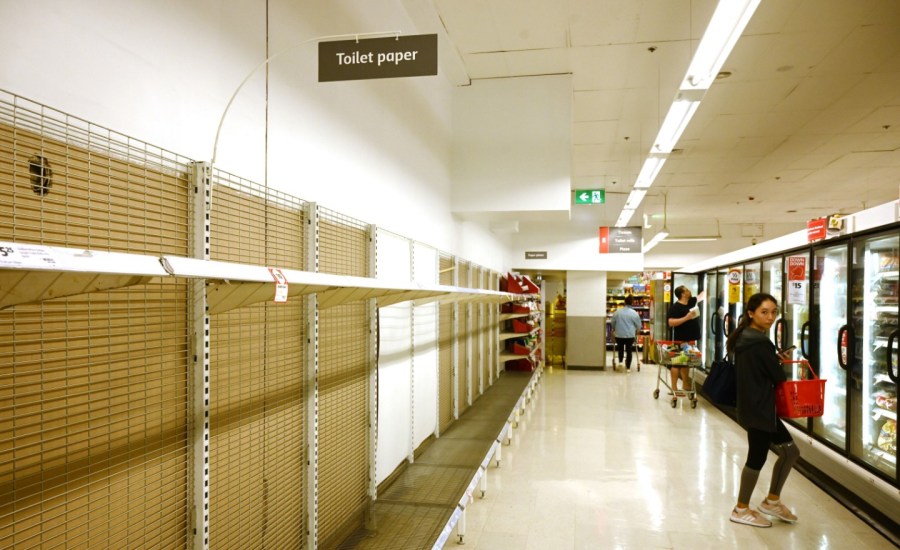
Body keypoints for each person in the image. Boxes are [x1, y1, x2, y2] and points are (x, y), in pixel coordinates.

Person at [726, 292, 799, 528]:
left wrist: (773, 358)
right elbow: (777, 376)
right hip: (760, 407)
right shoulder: (759, 341)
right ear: (751, 314)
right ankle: (741, 508)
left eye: (774, 312)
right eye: (764, 312)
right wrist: (779, 362)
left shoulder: (746, 337)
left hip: (755, 405)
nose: (770, 317)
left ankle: (771, 501)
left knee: (790, 451)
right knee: (757, 458)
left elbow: (759, 367)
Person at [666, 286, 703, 392]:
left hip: (691, 340)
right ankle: (674, 386)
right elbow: (671, 322)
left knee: (686, 362)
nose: (689, 291)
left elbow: (701, 296)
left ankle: (685, 384)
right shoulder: (675, 307)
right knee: (677, 363)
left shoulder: (691, 302)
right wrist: (686, 318)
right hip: (681, 341)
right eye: (687, 290)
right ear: (682, 294)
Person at [609, 295, 643, 371]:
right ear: (632, 302)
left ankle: (620, 363)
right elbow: (638, 325)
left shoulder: (617, 312)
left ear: (625, 302)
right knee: (629, 350)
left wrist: (615, 329)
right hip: (630, 335)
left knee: (620, 348)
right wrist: (637, 331)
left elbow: (613, 323)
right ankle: (628, 368)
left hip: (619, 335)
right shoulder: (634, 313)